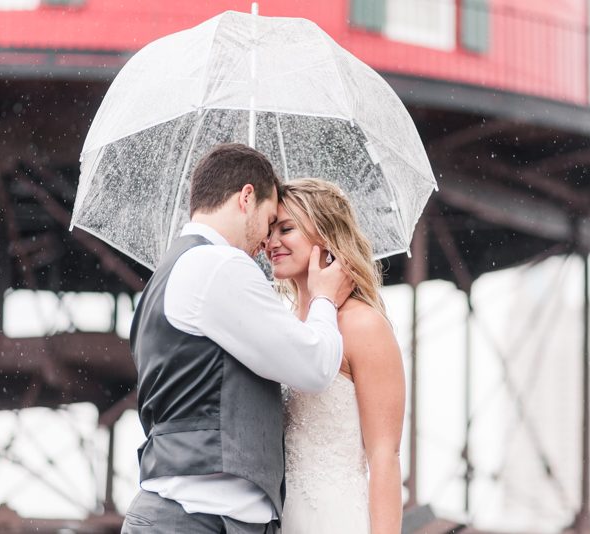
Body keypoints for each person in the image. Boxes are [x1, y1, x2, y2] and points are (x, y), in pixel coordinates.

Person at [122, 144, 354, 534]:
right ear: (247, 197)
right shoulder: (220, 265)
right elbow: (315, 367)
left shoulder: (166, 273)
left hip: (182, 513)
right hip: (197, 518)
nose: (265, 242)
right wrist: (326, 298)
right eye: (268, 220)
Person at [265, 178, 405, 534]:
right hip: (279, 520)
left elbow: (384, 456)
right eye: (269, 230)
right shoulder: (280, 325)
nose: (271, 242)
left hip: (336, 519)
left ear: (325, 235)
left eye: (286, 228)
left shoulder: (364, 326)